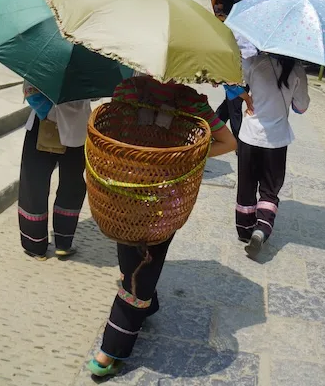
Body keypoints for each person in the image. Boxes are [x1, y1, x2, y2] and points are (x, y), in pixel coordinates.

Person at [87, 75, 236, 377]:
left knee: (134, 262)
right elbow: (228, 142)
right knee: (144, 264)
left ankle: (116, 340)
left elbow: (112, 135)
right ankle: (124, 330)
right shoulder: (192, 101)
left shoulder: (126, 89)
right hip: (166, 201)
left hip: (122, 192)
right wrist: (185, 159)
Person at [236, 54, 310, 259]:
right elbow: (301, 107)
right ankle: (262, 228)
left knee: (246, 185)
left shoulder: (255, 62)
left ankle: (244, 230)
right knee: (270, 189)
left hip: (250, 134)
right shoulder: (297, 70)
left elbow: (235, 86)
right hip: (276, 141)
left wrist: (249, 99)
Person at [18, 82, 91, 260]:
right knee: (72, 184)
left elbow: (30, 87)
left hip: (44, 122)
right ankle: (64, 243)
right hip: (77, 128)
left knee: (34, 182)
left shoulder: (48, 57)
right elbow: (94, 93)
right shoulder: (92, 61)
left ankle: (35, 244)